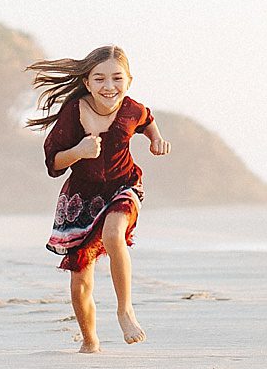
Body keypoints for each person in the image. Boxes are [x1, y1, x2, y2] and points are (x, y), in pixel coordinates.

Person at [32, 45, 169, 353]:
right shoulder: (73, 113)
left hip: (125, 186)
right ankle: (90, 340)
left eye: (117, 79)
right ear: (87, 83)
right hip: (82, 198)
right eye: (100, 79)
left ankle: (125, 310)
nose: (109, 87)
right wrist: (78, 152)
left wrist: (156, 138)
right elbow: (53, 162)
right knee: (80, 278)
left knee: (113, 234)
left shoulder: (132, 108)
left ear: (129, 81)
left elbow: (147, 120)